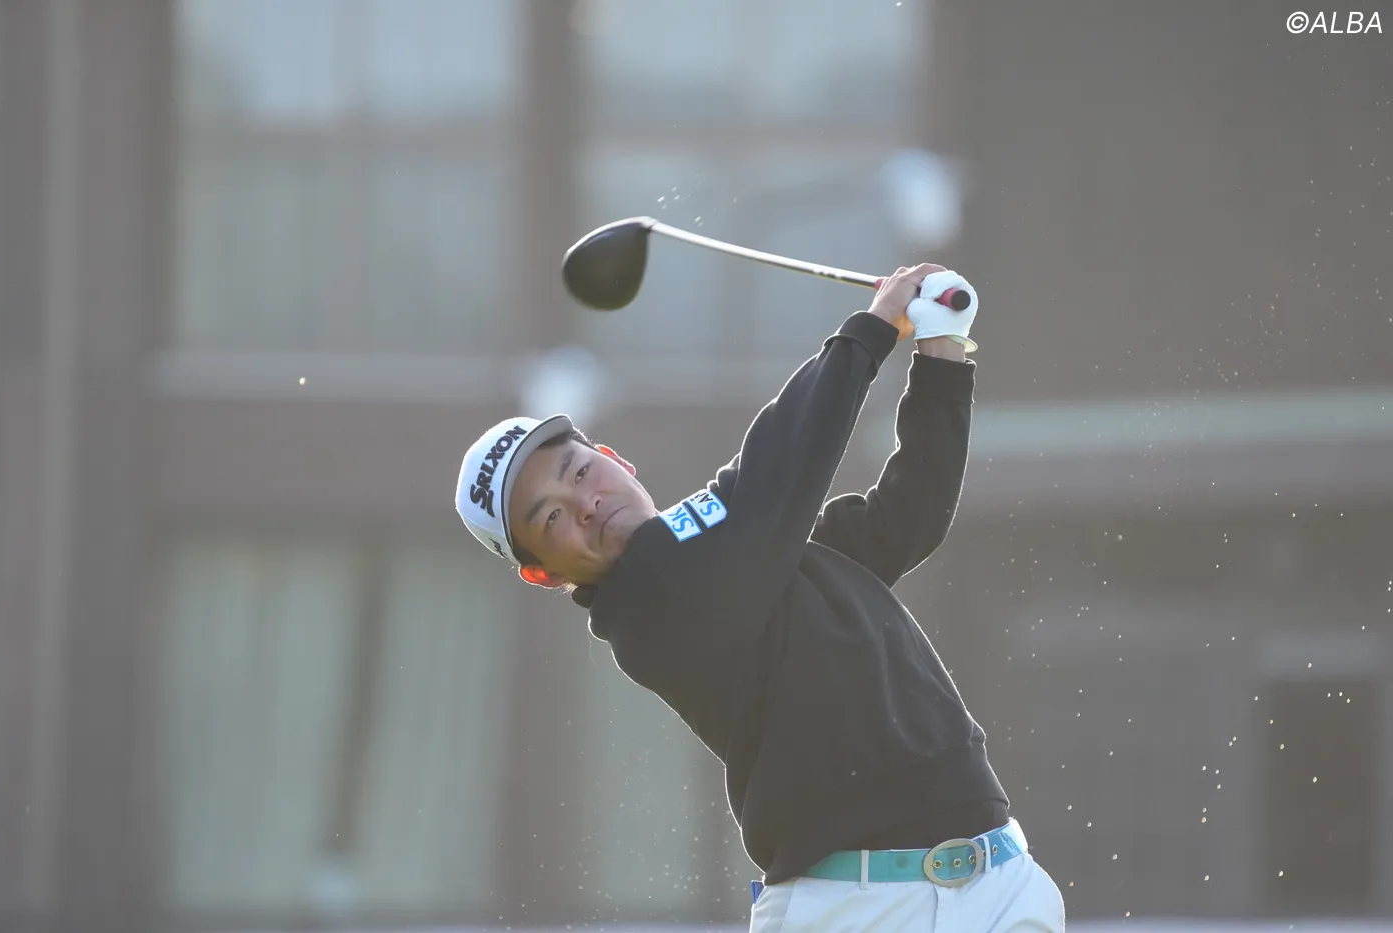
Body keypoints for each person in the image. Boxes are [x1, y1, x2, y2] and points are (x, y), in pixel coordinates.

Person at [456, 264, 1066, 932]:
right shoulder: (645, 607)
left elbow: (907, 518)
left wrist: (941, 353)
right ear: (544, 574)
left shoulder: (751, 554)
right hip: (853, 910)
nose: (585, 503)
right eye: (551, 517)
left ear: (614, 458)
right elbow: (774, 471)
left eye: (579, 471)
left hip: (999, 880)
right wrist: (868, 333)